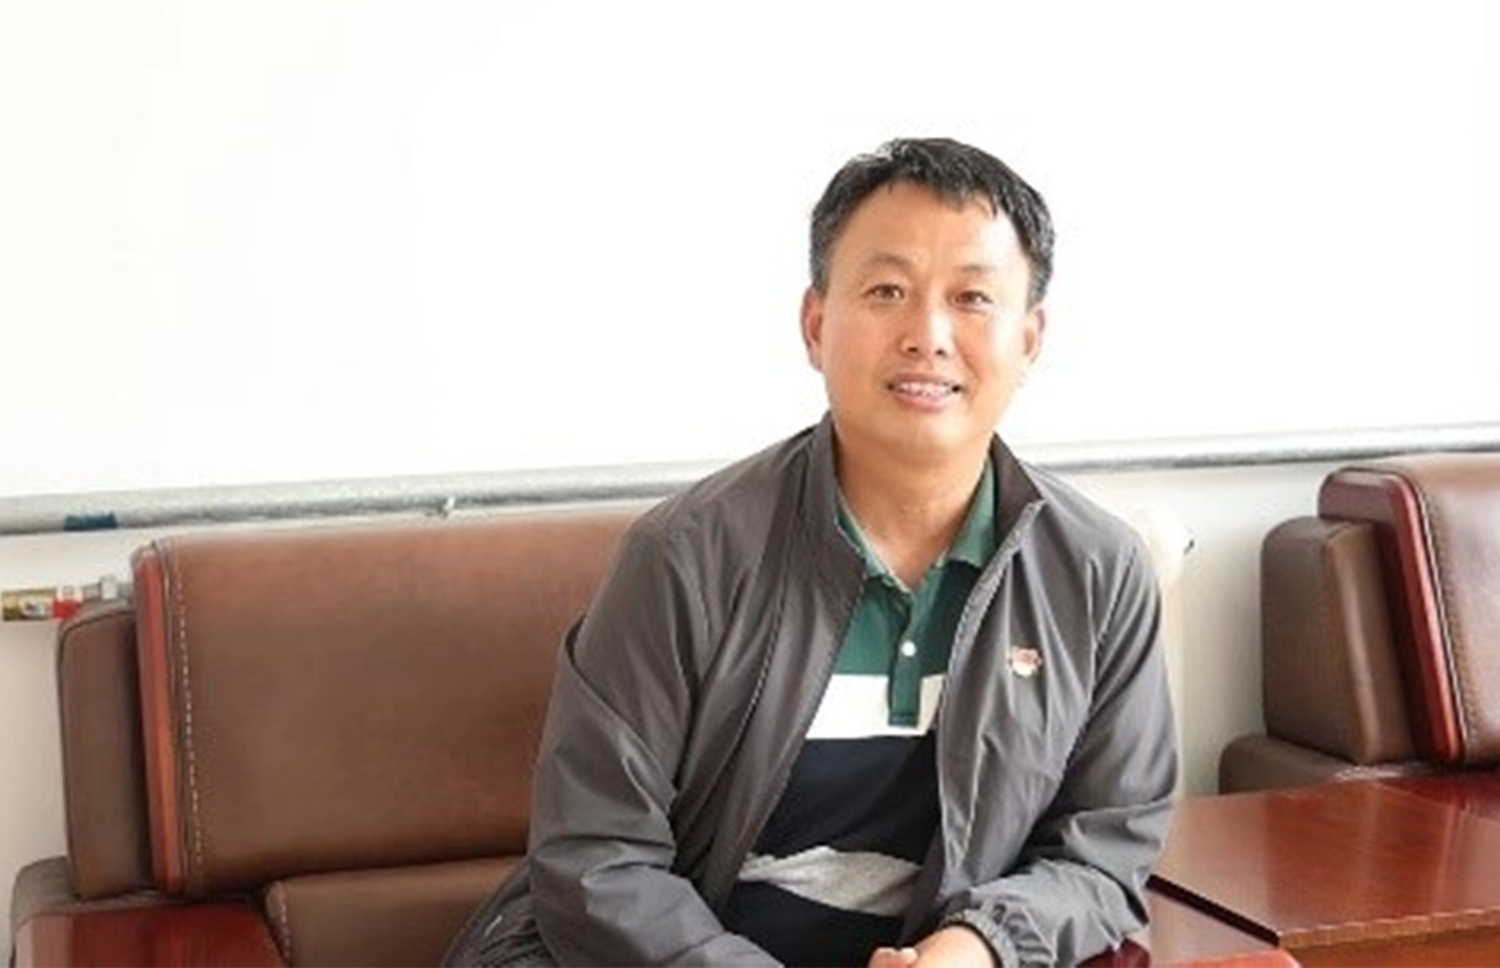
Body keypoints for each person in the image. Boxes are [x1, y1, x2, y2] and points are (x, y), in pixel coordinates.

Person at [443, 136, 1178, 968]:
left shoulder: (1097, 571)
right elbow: (597, 858)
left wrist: (981, 945)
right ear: (816, 324)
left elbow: (1104, 850)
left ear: (1030, 339)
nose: (928, 335)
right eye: (887, 290)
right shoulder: (685, 559)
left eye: (973, 298)